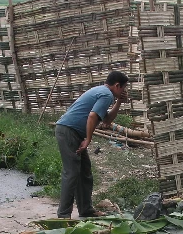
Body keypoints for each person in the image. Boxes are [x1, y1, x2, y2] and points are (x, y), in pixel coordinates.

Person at [55, 70, 129, 219]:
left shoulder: (102, 92)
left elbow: (106, 121)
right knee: (72, 172)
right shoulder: (106, 94)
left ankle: (86, 209)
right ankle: (63, 215)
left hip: (71, 132)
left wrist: (119, 101)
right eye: (123, 88)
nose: (124, 91)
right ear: (117, 85)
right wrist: (88, 140)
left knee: (84, 171)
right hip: (68, 132)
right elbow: (92, 116)